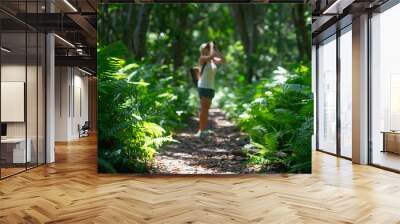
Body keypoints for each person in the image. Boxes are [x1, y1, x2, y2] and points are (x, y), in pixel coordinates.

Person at [195, 41, 225, 138]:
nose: (208, 49)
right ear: (203, 50)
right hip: (203, 86)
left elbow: (223, 60)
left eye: (208, 47)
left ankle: (203, 129)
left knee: (207, 109)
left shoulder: (212, 60)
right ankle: (201, 130)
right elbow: (211, 56)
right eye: (206, 48)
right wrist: (211, 45)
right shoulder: (203, 59)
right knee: (204, 108)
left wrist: (216, 49)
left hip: (211, 87)